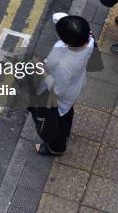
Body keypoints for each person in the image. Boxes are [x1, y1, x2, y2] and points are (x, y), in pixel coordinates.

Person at [35, 14, 94, 155]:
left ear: (67, 41)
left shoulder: (64, 65)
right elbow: (60, 17)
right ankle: (65, 133)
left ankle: (56, 148)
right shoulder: (89, 38)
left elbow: (57, 90)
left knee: (59, 120)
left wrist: (40, 68)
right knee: (67, 113)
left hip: (61, 97)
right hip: (75, 86)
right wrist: (64, 21)